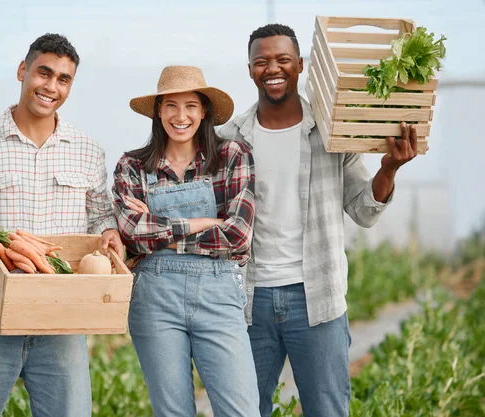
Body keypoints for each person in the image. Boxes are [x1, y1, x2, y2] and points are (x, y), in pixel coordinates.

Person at [219, 24, 420, 417]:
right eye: (262, 61)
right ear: (249, 70)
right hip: (246, 300)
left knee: (327, 409)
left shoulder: (333, 134)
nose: (271, 69)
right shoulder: (229, 138)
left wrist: (390, 169)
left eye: (281, 59)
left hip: (317, 298)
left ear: (300, 65)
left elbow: (364, 209)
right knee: (240, 410)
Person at [0, 33, 122, 417]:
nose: (51, 86)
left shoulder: (87, 150)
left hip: (63, 319)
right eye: (43, 73)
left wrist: (109, 233)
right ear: (23, 71)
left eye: (63, 79)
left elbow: (101, 217)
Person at [113, 65, 260, 417]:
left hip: (218, 295)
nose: (181, 116)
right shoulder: (132, 166)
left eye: (191, 106)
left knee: (241, 411)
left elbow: (237, 236)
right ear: (158, 112)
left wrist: (158, 231)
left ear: (204, 111)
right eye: (171, 106)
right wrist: (204, 222)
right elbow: (132, 233)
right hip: (154, 301)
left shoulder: (233, 156)